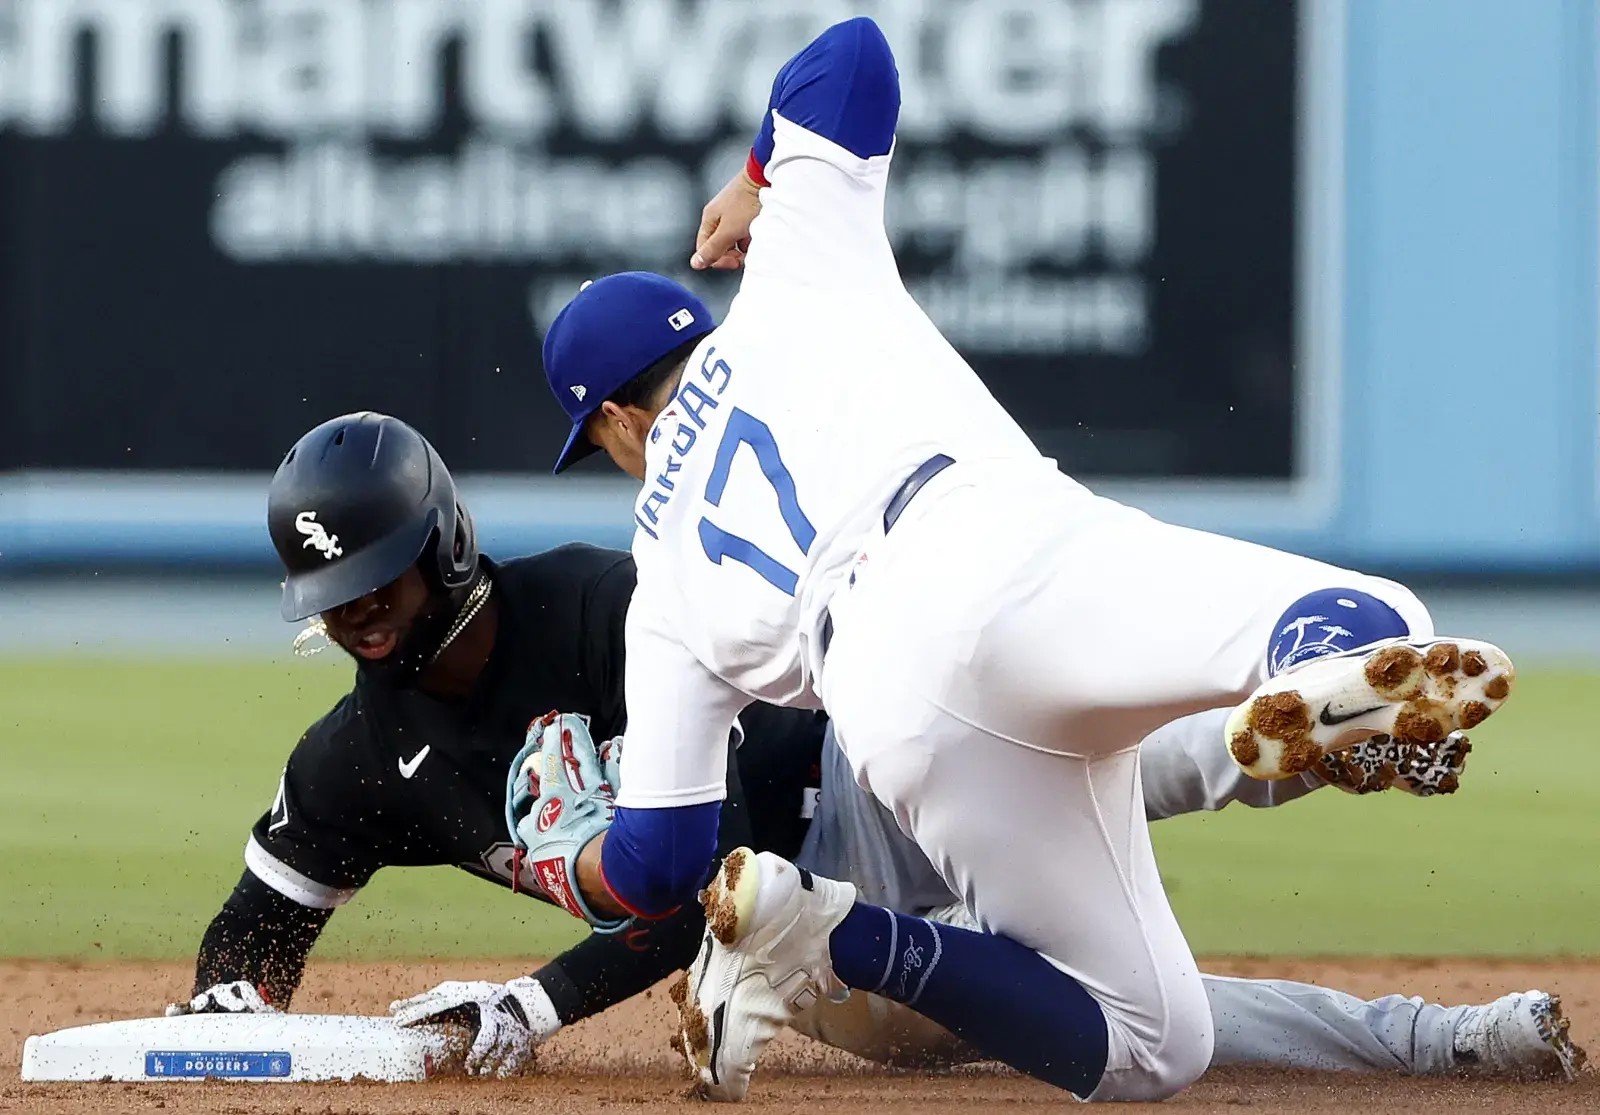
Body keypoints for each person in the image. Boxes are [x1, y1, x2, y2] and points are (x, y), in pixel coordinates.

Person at [531, 16, 1519, 1102]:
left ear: (618, 418)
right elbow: (851, 53)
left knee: (1152, 1043)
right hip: (1003, 545)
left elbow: (663, 865)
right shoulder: (789, 281)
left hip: (896, 705)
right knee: (1377, 614)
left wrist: (570, 861)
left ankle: (826, 929)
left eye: (599, 443)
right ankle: (1322, 679)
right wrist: (760, 179)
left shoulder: (661, 586)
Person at [171, 411, 1582, 1085]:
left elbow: (711, 856)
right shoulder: (358, 758)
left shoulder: (606, 609)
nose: (357, 614)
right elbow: (255, 924)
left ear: (445, 543)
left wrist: (535, 1004)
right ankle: (1445, 1035)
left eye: (379, 579)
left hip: (846, 797)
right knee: (1117, 1007)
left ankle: (1321, 716)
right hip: (797, 945)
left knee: (1127, 766)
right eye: (332, 595)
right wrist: (236, 1016)